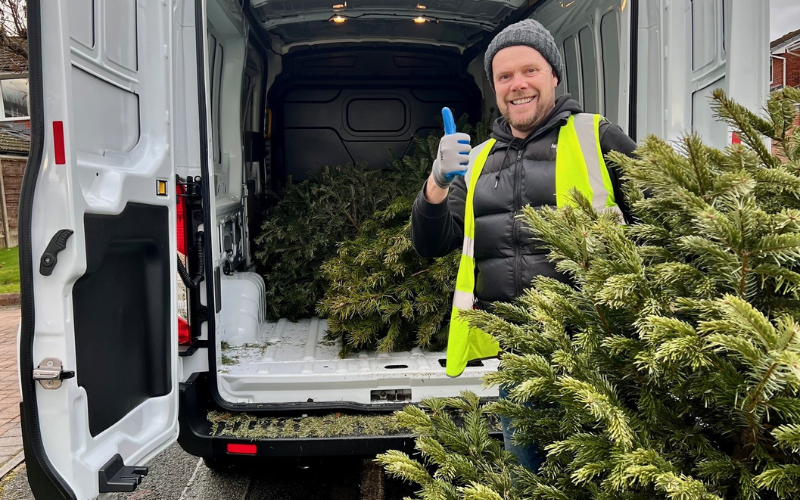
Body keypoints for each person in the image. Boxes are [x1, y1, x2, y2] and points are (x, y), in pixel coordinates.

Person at [410, 18, 637, 470]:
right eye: (505, 76)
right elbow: (431, 243)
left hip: (596, 350)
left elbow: (662, 220)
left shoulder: (596, 136)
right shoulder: (475, 163)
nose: (518, 85)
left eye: (529, 71)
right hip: (518, 358)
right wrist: (436, 183)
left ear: (553, 74)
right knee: (530, 475)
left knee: (602, 474)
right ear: (495, 88)